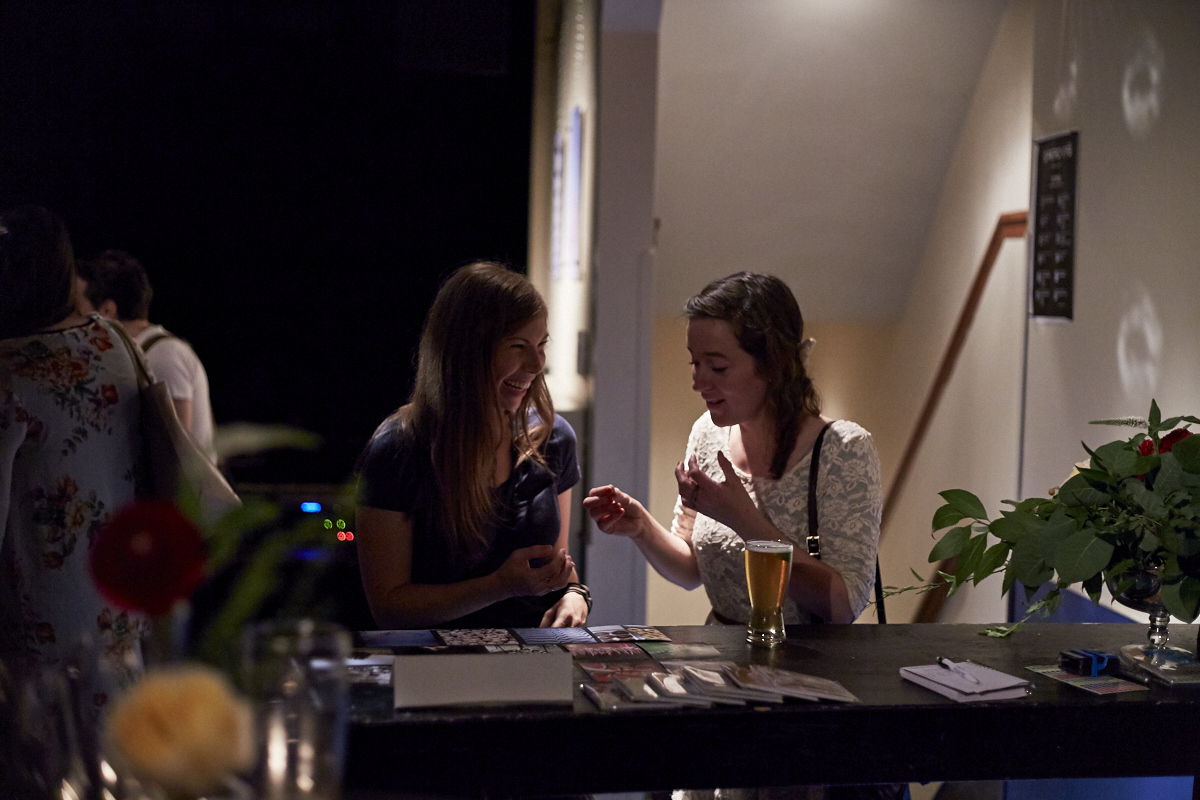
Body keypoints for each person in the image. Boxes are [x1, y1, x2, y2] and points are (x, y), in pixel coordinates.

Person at [585, 271, 882, 626]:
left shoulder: (843, 450)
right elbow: (691, 569)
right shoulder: (707, 433)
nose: (698, 382)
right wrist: (641, 528)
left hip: (807, 670)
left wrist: (745, 520)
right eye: (694, 362)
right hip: (722, 664)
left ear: (772, 365)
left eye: (718, 366)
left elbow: (844, 606)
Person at [355, 262, 590, 629]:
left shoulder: (553, 439)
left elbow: (555, 568)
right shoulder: (398, 450)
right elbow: (388, 606)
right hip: (432, 674)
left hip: (533, 669)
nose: (536, 363)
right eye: (518, 346)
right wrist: (497, 586)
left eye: (541, 345)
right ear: (467, 352)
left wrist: (575, 594)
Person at [0, 205, 146, 711]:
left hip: (38, 615)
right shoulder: (116, 344)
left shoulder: (9, 371)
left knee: (44, 766)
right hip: (119, 600)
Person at [77, 250, 217, 464]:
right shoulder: (144, 352)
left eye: (79, 308)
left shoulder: (162, 355)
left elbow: (175, 455)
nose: (75, 318)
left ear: (107, 310)